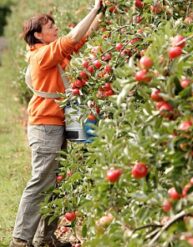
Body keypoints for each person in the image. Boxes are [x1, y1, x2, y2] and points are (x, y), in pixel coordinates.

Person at [10, 1, 103, 246]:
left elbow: (80, 38)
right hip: (44, 126)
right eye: (50, 27)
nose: (55, 29)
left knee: (55, 183)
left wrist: (103, 13)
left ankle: (45, 238)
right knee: (41, 181)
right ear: (38, 35)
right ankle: (20, 239)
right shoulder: (42, 55)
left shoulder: (53, 55)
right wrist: (94, 8)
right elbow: (72, 38)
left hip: (56, 124)